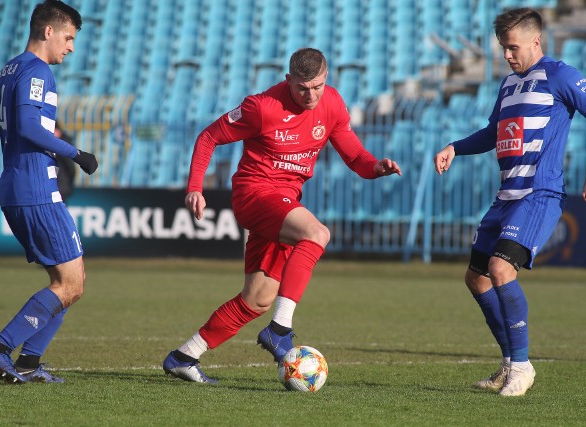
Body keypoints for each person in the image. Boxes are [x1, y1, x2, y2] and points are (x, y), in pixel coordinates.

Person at [162, 47, 402, 384]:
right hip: (255, 194)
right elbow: (208, 137)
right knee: (317, 233)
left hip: (285, 202)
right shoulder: (261, 107)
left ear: (326, 77)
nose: (310, 95)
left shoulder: (331, 103)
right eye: (302, 87)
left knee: (257, 299)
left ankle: (184, 356)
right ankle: (280, 329)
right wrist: (195, 187)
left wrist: (376, 167)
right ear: (288, 80)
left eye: (317, 86)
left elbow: (355, 156)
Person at [434, 8, 586, 396]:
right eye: (503, 47)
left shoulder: (560, 75)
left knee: (501, 269)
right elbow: (491, 132)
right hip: (506, 196)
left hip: (539, 194)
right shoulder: (508, 84)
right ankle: (508, 364)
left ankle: (522, 367)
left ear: (536, 42)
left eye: (512, 46)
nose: (506, 54)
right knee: (476, 277)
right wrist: (455, 147)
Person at [0, 0, 98, 384]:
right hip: (38, 190)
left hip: (15, 189)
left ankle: (29, 361)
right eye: (68, 37)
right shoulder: (36, 71)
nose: (71, 47)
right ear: (48, 31)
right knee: (71, 283)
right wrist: (76, 154)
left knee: (68, 279)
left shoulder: (3, 75)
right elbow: (29, 127)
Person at [54, 123, 77, 202]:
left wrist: (68, 185)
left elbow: (71, 168)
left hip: (60, 186)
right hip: (58, 186)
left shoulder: (63, 147)